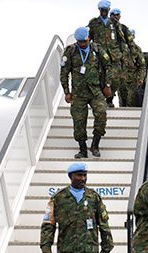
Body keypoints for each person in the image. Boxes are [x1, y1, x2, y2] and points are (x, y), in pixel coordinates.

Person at [60, 26, 110, 159]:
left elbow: (108, 66)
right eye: (80, 42)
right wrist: (67, 92)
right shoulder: (71, 51)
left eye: (85, 41)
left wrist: (107, 85)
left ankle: (95, 145)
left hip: (95, 91)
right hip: (78, 93)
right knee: (79, 121)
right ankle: (82, 149)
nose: (83, 44)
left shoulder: (97, 49)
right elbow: (64, 73)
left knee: (101, 114)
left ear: (89, 38)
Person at [87, 1, 124, 108]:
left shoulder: (114, 23)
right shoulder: (94, 23)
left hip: (114, 55)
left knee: (115, 79)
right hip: (99, 55)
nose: (104, 12)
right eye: (102, 10)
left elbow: (121, 39)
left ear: (108, 10)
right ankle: (104, 100)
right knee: (100, 77)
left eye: (105, 10)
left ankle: (110, 97)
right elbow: (87, 37)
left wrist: (123, 53)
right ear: (99, 10)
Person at [108, 8, 132, 107]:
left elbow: (130, 43)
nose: (115, 17)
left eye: (117, 15)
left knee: (116, 81)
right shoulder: (105, 27)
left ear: (120, 16)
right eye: (113, 15)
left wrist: (128, 56)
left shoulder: (124, 29)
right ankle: (107, 100)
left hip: (118, 60)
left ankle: (111, 100)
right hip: (106, 57)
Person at [125, 29, 146, 107]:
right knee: (122, 101)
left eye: (131, 35)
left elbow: (142, 66)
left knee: (131, 100)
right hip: (121, 79)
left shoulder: (137, 49)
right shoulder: (120, 47)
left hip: (132, 79)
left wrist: (141, 78)